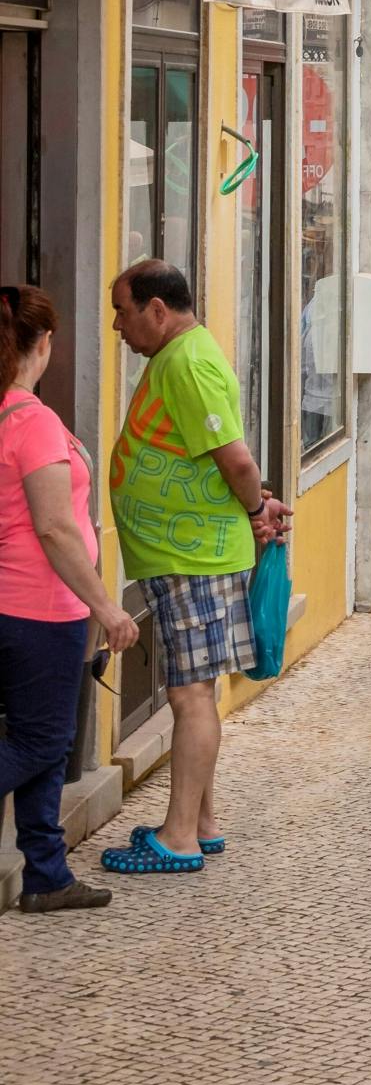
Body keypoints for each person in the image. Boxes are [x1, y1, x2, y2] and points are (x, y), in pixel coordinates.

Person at [102, 261, 289, 877]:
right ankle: (199, 823)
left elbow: (235, 460)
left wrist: (258, 505)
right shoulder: (177, 357)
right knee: (194, 692)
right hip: (184, 554)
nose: (117, 327)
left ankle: (179, 836)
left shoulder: (189, 363)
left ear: (157, 310)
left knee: (189, 697)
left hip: (196, 558)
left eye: (123, 312)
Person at [0, 287, 138, 912]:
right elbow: (55, 527)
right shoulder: (29, 421)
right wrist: (107, 608)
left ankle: (47, 873)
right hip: (38, 607)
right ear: (45, 344)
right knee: (41, 743)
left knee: (41, 742)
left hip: (18, 605)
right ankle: (47, 871)